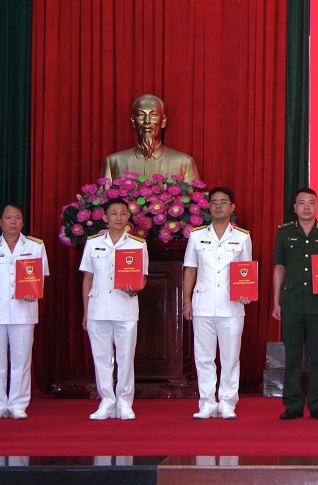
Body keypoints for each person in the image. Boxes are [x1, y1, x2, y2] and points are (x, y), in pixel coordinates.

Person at [0, 204, 49, 420]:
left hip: (24, 310)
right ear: (0, 222)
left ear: (23, 222)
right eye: (8, 218)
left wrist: (34, 291)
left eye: (17, 218)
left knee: (21, 359)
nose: (13, 222)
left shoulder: (35, 246)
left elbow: (40, 278)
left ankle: (18, 404)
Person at [182, 187, 252, 420]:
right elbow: (190, 269)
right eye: (214, 202)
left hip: (232, 305)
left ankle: (228, 402)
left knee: (230, 357)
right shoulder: (196, 236)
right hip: (202, 303)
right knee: (203, 356)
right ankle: (207, 402)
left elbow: (246, 270)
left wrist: (246, 292)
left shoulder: (242, 237)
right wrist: (187, 300)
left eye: (223, 202)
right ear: (208, 207)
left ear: (232, 207)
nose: (218, 206)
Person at [271, 188, 318, 420]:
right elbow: (279, 267)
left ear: (317, 206)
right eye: (302, 203)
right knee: (292, 356)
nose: (306, 207)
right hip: (291, 301)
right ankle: (293, 404)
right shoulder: (285, 232)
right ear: (295, 207)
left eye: (311, 203)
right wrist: (276, 301)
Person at [80, 198, 149, 420]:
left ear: (128, 217)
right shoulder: (93, 243)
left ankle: (125, 403)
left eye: (122, 213)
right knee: (101, 358)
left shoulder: (138, 245)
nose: (118, 218)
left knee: (125, 358)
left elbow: (142, 277)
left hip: (125, 307)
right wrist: (86, 311)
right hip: (98, 308)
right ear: (105, 217)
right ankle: (107, 402)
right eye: (114, 213)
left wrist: (135, 288)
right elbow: (87, 278)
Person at [99, 94, 200, 182]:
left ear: (163, 121)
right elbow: (102, 196)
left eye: (153, 115)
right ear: (133, 121)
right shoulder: (113, 162)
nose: (147, 121)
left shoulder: (184, 163)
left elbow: (193, 196)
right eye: (141, 115)